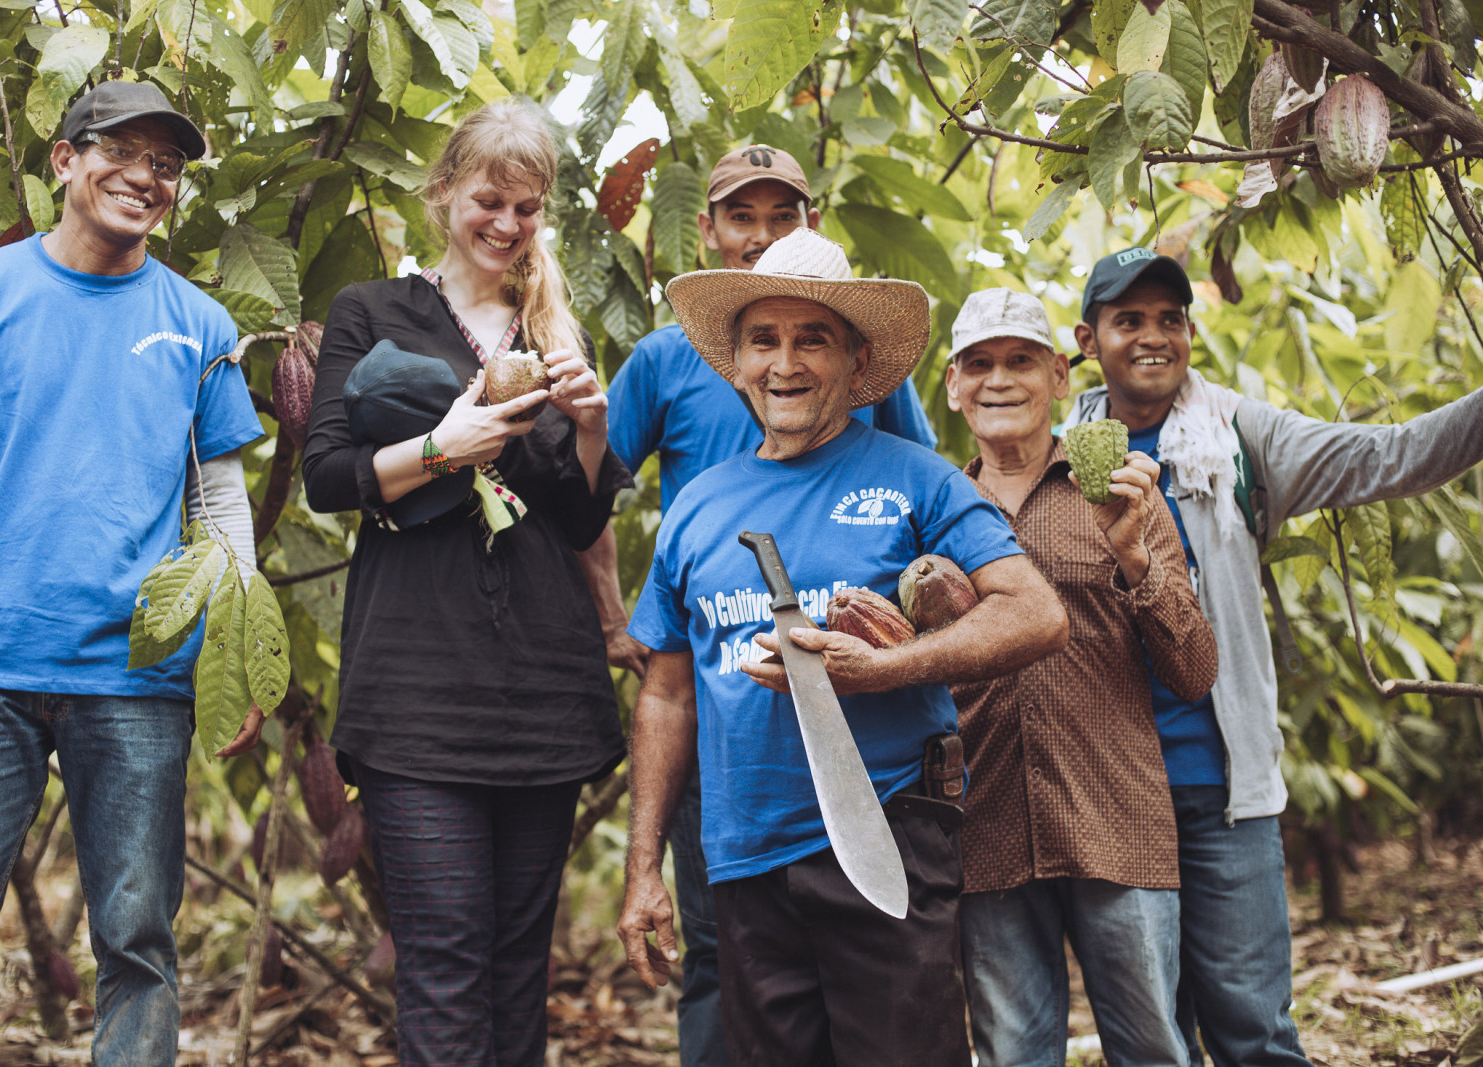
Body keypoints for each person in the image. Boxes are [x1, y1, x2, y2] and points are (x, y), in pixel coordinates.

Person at [617, 228, 1068, 1066]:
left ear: (857, 364)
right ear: (737, 361)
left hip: (888, 830)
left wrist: (885, 669)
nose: (784, 363)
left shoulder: (916, 476)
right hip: (745, 852)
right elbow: (668, 693)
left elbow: (1035, 613)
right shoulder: (696, 507)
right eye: (764, 340)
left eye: (811, 339)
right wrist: (644, 866)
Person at [0, 81, 264, 1064]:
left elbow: (219, 502)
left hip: (136, 678)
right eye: (123, 151)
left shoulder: (202, 324)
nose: (145, 176)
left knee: (138, 942)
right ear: (62, 159)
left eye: (167, 163)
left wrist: (242, 658)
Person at [1063, 247, 1483, 1066]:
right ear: (1088, 338)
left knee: (1255, 1030)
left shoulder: (1238, 436)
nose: (1154, 337)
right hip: (1112, 798)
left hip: (1225, 791)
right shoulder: (1055, 451)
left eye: (1171, 319)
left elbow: (1389, 456)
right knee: (1150, 1042)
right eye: (1129, 320)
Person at [299, 99, 629, 1067]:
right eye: (489, 199)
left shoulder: (549, 329)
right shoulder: (373, 311)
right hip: (417, 691)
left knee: (520, 961)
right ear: (443, 194)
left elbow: (576, 518)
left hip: (542, 690)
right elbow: (327, 477)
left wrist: (592, 425)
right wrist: (441, 448)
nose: (507, 224)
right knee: (443, 957)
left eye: (527, 208)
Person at [599, 143, 939, 1066]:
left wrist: (905, 640)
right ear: (708, 232)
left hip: (865, 724)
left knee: (883, 975)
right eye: (740, 218)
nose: (760, 235)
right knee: (729, 952)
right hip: (727, 700)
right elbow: (591, 492)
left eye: (779, 216)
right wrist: (620, 622)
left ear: (809, 223)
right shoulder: (665, 361)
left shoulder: (876, 395)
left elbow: (933, 517)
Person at [945, 288, 1217, 1066]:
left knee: (1155, 1048)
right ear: (956, 385)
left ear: (1060, 375)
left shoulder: (1121, 488)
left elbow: (1195, 670)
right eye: (981, 364)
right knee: (1011, 1053)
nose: (1001, 380)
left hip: (1115, 819)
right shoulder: (937, 507)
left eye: (1021, 361)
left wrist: (1134, 556)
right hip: (987, 830)